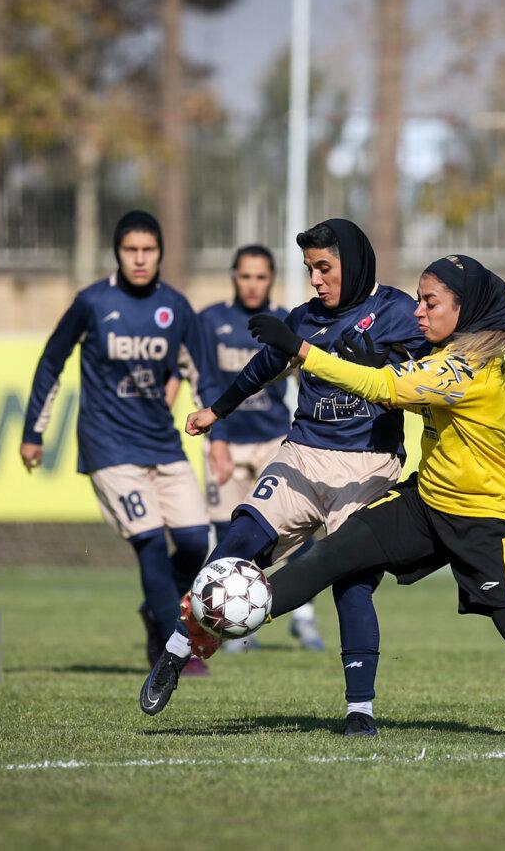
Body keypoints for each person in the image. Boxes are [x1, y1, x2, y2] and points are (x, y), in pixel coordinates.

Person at [142, 252, 505, 742]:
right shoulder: (446, 353)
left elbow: (384, 387)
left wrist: (303, 350)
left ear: (463, 310)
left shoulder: (466, 369)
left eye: (431, 303)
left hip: (483, 522)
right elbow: (392, 376)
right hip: (423, 504)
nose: (418, 311)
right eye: (418, 300)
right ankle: (215, 626)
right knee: (328, 558)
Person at [179, 219, 432, 736]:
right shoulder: (305, 317)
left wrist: (393, 373)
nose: (315, 279)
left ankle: (360, 711)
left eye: (324, 267)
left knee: (352, 585)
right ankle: (175, 649)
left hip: (369, 463)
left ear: (353, 264)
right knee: (237, 541)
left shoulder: (399, 311)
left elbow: (438, 373)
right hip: (305, 453)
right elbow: (261, 368)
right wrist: (216, 411)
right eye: (309, 269)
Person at [21, 210, 221, 675]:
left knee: (195, 542)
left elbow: (202, 375)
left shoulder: (176, 307)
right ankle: (173, 648)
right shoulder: (92, 302)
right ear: (117, 253)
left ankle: (157, 608)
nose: (140, 259)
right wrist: (34, 431)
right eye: (131, 250)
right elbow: (51, 361)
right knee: (149, 542)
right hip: (108, 445)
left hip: (162, 443)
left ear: (160, 253)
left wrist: (218, 438)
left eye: (148, 250)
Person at [199, 244, 322, 652]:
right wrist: (216, 441)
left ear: (271, 279)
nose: (253, 284)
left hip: (273, 440)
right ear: (234, 277)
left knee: (294, 528)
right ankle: (234, 624)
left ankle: (303, 616)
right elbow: (204, 381)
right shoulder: (210, 321)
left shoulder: (287, 321)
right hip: (226, 442)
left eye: (261, 277)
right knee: (229, 534)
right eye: (246, 276)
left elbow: (307, 378)